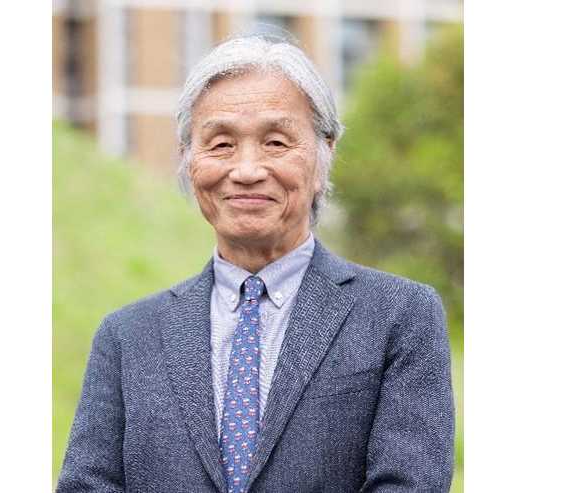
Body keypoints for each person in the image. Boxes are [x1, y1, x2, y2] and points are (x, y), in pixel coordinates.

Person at [57, 31, 454, 493]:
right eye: (221, 144)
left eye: (276, 143)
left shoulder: (399, 316)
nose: (246, 171)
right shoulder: (126, 337)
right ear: (188, 159)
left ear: (325, 152)